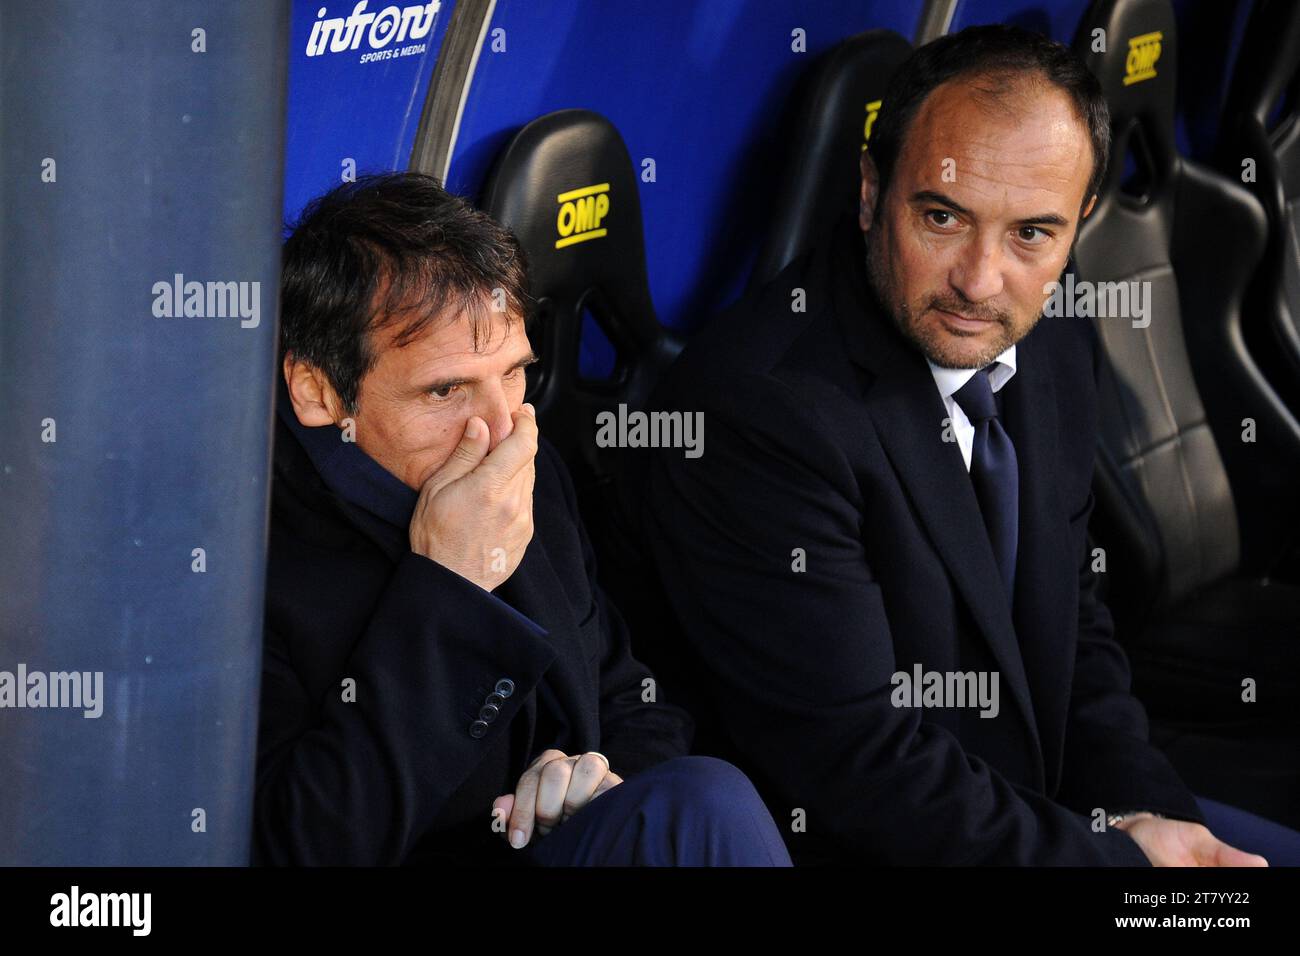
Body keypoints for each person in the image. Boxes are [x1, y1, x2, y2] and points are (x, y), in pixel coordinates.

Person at [638, 25, 1300, 866]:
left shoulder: (1052, 331)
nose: (980, 281)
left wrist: (1146, 812)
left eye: (1032, 233)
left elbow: (1074, 627)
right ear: (873, 192)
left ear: (1079, 223)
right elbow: (856, 768)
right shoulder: (760, 413)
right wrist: (1124, 869)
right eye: (943, 217)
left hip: (1042, 820)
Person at [252, 172, 790, 867]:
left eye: (513, 372)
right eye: (445, 389)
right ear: (317, 390)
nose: (502, 423)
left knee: (701, 798)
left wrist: (590, 776)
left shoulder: (518, 467)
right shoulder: (244, 554)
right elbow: (301, 843)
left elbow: (630, 698)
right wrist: (451, 589)